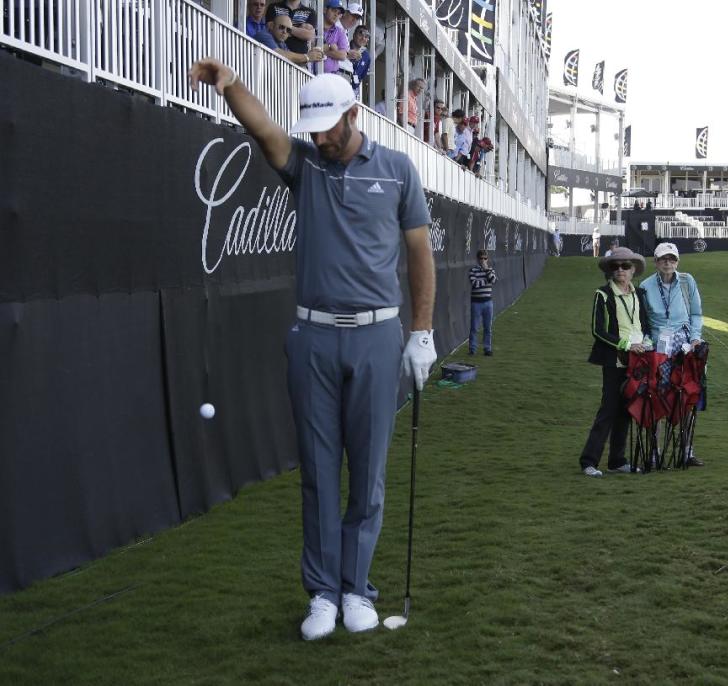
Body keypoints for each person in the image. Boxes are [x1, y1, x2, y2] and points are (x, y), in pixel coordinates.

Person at [187, 61, 437, 640]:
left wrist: (421, 331)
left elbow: (420, 254)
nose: (320, 139)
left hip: (377, 334)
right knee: (319, 473)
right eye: (315, 130)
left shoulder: (399, 170)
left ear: (354, 114)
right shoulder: (306, 166)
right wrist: (230, 86)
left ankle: (357, 589)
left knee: (368, 471)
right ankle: (323, 593)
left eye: (330, 128)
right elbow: (266, 133)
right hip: (313, 336)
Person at [580, 247, 648, 477]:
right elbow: (597, 331)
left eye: (625, 266)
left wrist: (646, 342)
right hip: (615, 361)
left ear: (633, 270)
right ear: (610, 271)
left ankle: (617, 461)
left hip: (637, 361)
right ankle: (589, 461)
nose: (620, 270)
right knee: (608, 410)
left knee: (626, 411)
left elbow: (644, 324)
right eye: (615, 266)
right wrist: (626, 345)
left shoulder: (639, 294)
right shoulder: (603, 294)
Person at [638, 242, 704, 467]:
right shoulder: (645, 286)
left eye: (672, 259)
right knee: (656, 397)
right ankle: (655, 453)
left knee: (685, 397)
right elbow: (643, 321)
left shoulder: (687, 281)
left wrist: (696, 337)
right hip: (658, 348)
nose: (668, 262)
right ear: (655, 262)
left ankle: (686, 451)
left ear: (677, 261)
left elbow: (696, 313)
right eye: (663, 259)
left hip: (684, 347)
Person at [254, 15, 324, 66]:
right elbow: (279, 54)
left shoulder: (282, 43)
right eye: (281, 27)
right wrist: (307, 57)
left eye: (288, 30)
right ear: (272, 26)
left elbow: (291, 59)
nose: (284, 32)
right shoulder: (264, 35)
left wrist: (312, 55)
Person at [468, 250, 497, 356]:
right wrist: (486, 281)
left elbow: (493, 280)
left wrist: (487, 271)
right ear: (478, 259)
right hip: (476, 303)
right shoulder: (473, 270)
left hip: (488, 302)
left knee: (487, 327)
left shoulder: (490, 270)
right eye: (481, 258)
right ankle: (472, 349)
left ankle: (487, 348)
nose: (483, 260)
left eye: (485, 258)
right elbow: (475, 284)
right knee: (474, 327)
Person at [319, 0, 349, 74]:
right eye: (334, 10)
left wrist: (325, 50)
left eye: (339, 13)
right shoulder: (315, 25)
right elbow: (310, 45)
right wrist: (331, 48)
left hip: (331, 76)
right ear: (325, 10)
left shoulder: (340, 32)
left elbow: (343, 55)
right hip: (309, 73)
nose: (336, 15)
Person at [347, 25, 371, 101]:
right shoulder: (345, 46)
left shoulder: (367, 56)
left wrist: (356, 83)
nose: (363, 38)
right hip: (340, 83)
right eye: (360, 34)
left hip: (353, 91)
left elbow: (361, 76)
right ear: (354, 35)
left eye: (366, 36)